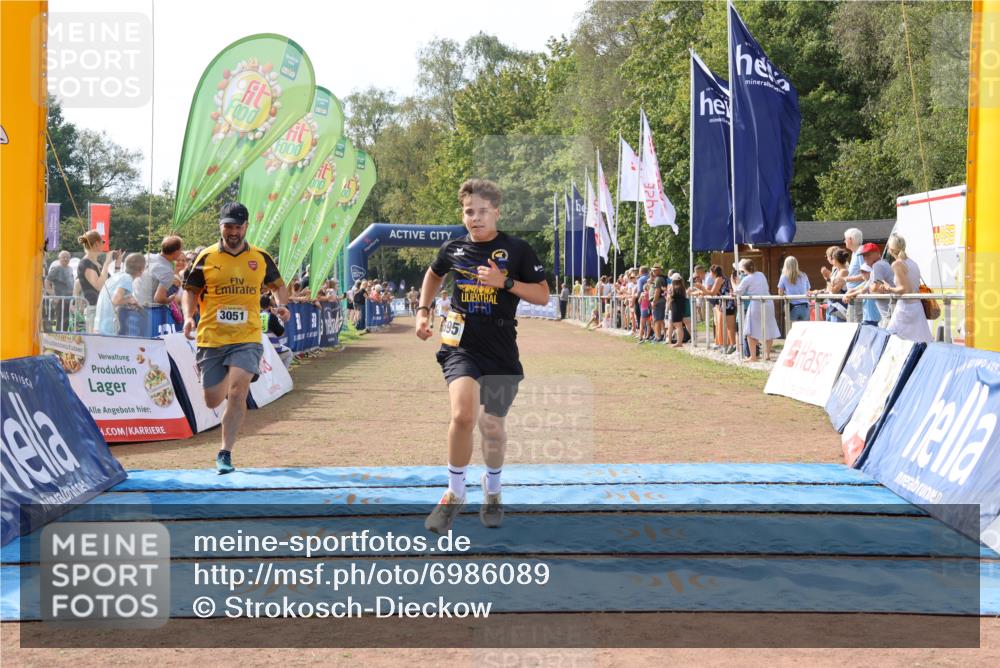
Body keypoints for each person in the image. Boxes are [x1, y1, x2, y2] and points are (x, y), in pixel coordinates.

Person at [415, 178, 549, 533]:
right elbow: (433, 275)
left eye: (482, 212)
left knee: (492, 426)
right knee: (462, 415)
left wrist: (504, 283)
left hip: (502, 348)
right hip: (462, 345)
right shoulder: (454, 249)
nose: (474, 218)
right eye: (468, 211)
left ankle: (492, 490)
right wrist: (423, 310)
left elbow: (542, 296)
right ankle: (454, 494)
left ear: (496, 213)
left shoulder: (518, 249)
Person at [182, 202, 290, 474]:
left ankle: (225, 453)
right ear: (221, 226)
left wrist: (282, 304)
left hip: (247, 336)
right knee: (212, 400)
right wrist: (188, 315)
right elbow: (190, 290)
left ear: (246, 227)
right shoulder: (206, 257)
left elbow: (279, 286)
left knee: (239, 390)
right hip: (212, 338)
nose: (232, 231)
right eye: (228, 226)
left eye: (237, 226)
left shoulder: (261, 257)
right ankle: (231, 375)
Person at [873, 233, 932, 343]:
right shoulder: (912, 263)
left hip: (905, 308)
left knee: (890, 338)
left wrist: (888, 287)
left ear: (890, 250)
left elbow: (904, 289)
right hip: (917, 307)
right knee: (921, 342)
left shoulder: (897, 264)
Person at [732, 258, 780, 362]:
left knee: (750, 330)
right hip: (768, 302)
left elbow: (737, 291)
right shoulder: (761, 275)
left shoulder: (747, 279)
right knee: (768, 327)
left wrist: (733, 283)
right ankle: (767, 354)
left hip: (756, 303)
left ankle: (753, 356)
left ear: (744, 269)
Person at [77, 230, 119, 333]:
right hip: (95, 310)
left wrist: (118, 264)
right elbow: (99, 286)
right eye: (102, 242)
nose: (103, 245)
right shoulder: (85, 263)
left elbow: (112, 283)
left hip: (105, 309)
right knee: (95, 346)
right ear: (96, 243)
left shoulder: (97, 262)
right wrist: (106, 264)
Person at [94, 252, 145, 336]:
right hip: (109, 325)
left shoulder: (119, 275)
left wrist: (133, 301)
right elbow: (116, 301)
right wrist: (130, 300)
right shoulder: (127, 279)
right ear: (142, 270)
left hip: (99, 323)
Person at [136, 235, 184, 307]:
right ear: (176, 252)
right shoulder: (167, 272)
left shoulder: (147, 256)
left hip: (133, 305)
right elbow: (159, 298)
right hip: (149, 311)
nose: (181, 252)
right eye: (181, 250)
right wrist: (169, 299)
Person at [777, 255, 811, 326]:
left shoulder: (784, 276)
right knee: (804, 331)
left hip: (792, 307)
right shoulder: (804, 275)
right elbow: (808, 290)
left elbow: (780, 293)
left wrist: (786, 293)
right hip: (805, 307)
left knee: (792, 331)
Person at [46, 250, 75, 330]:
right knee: (61, 321)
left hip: (69, 299)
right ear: (59, 258)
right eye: (63, 257)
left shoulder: (70, 269)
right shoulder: (57, 268)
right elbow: (47, 281)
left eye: (67, 257)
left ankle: (65, 339)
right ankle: (59, 340)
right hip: (60, 300)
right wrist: (54, 295)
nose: (66, 259)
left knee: (67, 321)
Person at [842, 228, 865, 323]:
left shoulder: (860, 252)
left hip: (858, 296)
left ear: (850, 239)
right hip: (853, 295)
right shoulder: (855, 252)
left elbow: (866, 275)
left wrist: (847, 279)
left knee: (855, 324)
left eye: (845, 238)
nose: (844, 241)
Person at [668, 274, 688, 348]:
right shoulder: (682, 287)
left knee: (678, 325)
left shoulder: (676, 288)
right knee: (678, 325)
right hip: (679, 307)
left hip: (676, 308)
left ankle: (679, 342)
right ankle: (679, 342)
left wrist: (669, 291)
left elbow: (671, 296)